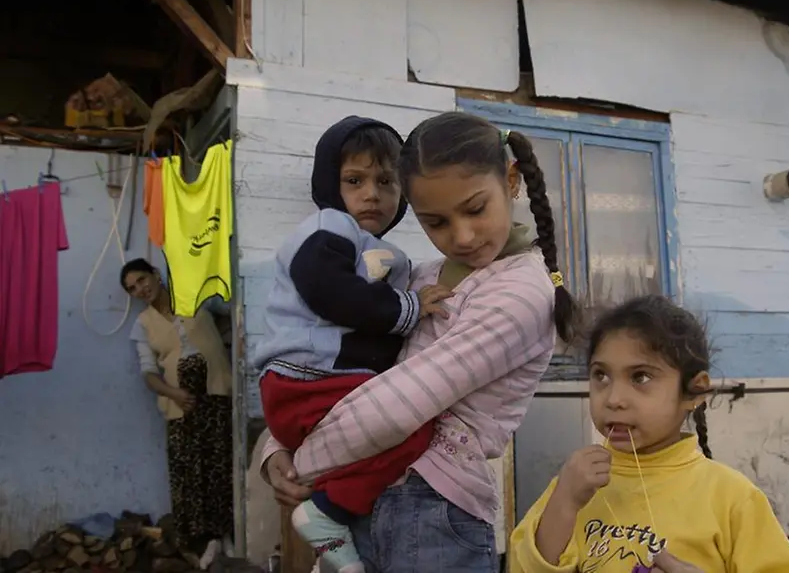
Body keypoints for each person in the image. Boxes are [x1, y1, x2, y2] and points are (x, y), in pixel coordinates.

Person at [261, 111, 580, 572]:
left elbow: (405, 400)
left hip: (432, 507)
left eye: (475, 209)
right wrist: (277, 447)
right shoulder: (421, 278)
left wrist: (303, 463)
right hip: (362, 492)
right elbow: (340, 365)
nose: (462, 236)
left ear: (511, 182)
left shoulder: (521, 293)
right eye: (436, 222)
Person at [253, 116, 453, 573]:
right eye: (354, 180)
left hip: (319, 386)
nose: (372, 194)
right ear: (329, 183)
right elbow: (331, 292)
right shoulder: (327, 228)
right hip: (310, 380)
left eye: (386, 181)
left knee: (397, 426)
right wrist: (408, 309)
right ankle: (328, 512)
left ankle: (332, 525)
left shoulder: (392, 257)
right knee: (411, 425)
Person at [508, 295, 789, 573]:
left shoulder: (732, 498)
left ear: (694, 391)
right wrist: (564, 503)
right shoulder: (574, 485)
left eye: (641, 377)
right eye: (601, 375)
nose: (613, 399)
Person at [121, 258, 234, 562]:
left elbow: (234, 313)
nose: (140, 289)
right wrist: (175, 393)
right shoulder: (142, 325)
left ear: (156, 275)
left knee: (221, 464)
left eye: (142, 280)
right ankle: (204, 541)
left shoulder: (196, 296)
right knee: (191, 471)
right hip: (182, 404)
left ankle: (227, 535)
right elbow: (148, 373)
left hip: (216, 394)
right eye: (132, 288)